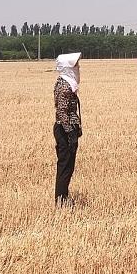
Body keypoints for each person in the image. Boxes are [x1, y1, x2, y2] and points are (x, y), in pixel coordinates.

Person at [53, 52, 82, 205]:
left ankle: (63, 197)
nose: (78, 67)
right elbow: (62, 112)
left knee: (67, 166)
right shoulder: (65, 86)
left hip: (66, 128)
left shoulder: (64, 82)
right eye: (75, 65)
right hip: (64, 130)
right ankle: (61, 199)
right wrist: (70, 132)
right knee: (65, 166)